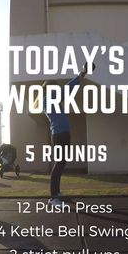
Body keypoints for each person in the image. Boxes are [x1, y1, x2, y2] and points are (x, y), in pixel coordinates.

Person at [34, 65, 89, 207]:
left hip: (62, 133)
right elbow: (67, 89)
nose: (58, 90)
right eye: (56, 88)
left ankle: (56, 193)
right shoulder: (49, 99)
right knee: (59, 164)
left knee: (61, 163)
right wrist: (81, 74)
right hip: (59, 135)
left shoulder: (52, 98)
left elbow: (64, 91)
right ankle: (53, 198)